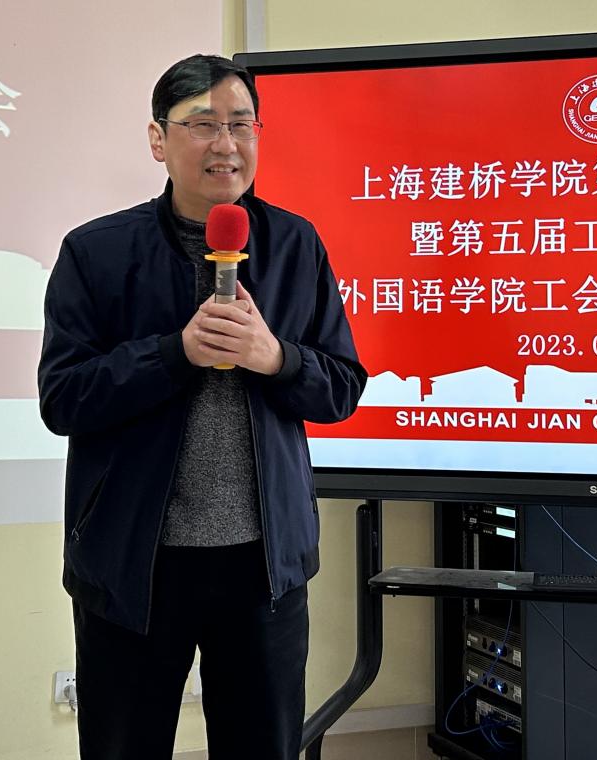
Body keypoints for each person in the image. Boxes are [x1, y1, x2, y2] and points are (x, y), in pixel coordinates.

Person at [38, 54, 367, 760]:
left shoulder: (295, 245)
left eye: (242, 125)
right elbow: (63, 398)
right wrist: (173, 353)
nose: (226, 144)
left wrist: (275, 358)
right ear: (158, 139)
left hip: (263, 568)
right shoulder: (96, 253)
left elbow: (341, 386)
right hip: (133, 565)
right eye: (203, 125)